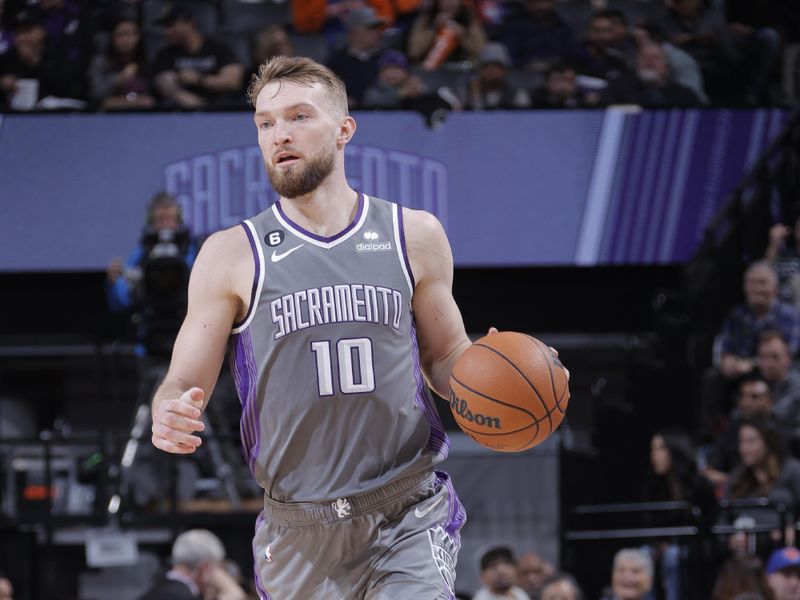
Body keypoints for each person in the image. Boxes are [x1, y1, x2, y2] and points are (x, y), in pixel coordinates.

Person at [150, 55, 553, 598]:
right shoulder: (230, 255)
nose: (279, 135)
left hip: (407, 507)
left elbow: (444, 355)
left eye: (298, 116)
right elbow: (182, 382)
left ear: (344, 130)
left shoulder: (413, 233)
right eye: (266, 123)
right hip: (298, 528)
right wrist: (168, 409)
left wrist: (500, 375)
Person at [698, 261, 800, 441]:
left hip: (777, 371)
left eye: (762, 283)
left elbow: (789, 352)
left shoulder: (789, 315)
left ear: (775, 288)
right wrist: (727, 360)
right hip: (743, 372)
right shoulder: (737, 315)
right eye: (752, 283)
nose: (757, 288)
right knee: (712, 377)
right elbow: (724, 346)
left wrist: (753, 363)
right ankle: (712, 437)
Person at [106, 192, 197, 357]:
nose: (165, 225)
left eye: (170, 219)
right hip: (151, 343)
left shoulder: (194, 250)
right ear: (151, 222)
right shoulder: (141, 253)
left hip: (189, 341)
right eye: (160, 220)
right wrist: (114, 282)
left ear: (179, 220)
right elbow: (121, 301)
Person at [642, 430, 716, 600]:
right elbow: (649, 522)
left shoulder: (698, 484)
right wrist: (657, 544)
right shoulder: (652, 485)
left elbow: (707, 523)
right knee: (642, 555)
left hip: (691, 547)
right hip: (660, 546)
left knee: (672, 556)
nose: (655, 456)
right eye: (653, 450)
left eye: (660, 449)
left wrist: (672, 544)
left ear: (675, 451)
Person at [151, 5, 244, 109]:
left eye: (171, 25)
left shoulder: (218, 49)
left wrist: (200, 79)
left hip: (219, 109)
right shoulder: (166, 54)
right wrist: (184, 98)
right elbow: (165, 84)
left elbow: (233, 81)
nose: (166, 32)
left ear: (188, 23)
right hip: (182, 110)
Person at [704, 375, 775, 489]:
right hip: (738, 494)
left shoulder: (782, 432)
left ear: (770, 401)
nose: (747, 401)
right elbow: (710, 472)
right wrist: (738, 482)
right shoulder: (729, 434)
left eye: (754, 397)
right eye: (743, 396)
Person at [138, 529, 246, 600]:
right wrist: (232, 591)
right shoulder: (185, 597)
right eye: (217, 568)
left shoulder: (152, 591)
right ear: (205, 567)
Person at [602, 42, 701, 107]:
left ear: (666, 67)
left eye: (656, 57)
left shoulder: (684, 95)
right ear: (636, 64)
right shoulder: (616, 87)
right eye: (644, 57)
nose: (649, 61)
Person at [88, 17, 155, 110]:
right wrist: (118, 80)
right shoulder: (101, 61)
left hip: (145, 116)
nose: (126, 39)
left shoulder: (147, 60)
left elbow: (153, 99)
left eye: (131, 34)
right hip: (109, 116)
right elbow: (96, 93)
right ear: (112, 37)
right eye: (121, 34)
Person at [326, 7, 385, 108]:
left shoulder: (386, 59)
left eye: (377, 28)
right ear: (354, 31)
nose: (377, 33)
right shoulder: (336, 62)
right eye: (371, 28)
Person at [407, 0, 487, 69]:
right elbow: (414, 51)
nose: (449, 3)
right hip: (430, 69)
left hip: (462, 68)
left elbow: (481, 51)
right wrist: (434, 29)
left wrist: (462, 35)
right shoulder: (426, 19)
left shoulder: (469, 20)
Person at [501, 0, 575, 73]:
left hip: (558, 72)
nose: (542, 6)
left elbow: (573, 53)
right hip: (525, 73)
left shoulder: (562, 26)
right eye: (537, 2)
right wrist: (526, 65)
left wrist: (558, 65)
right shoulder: (515, 25)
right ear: (527, 4)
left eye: (546, 2)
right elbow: (508, 54)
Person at [465, 42, 530, 110]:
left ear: (505, 70)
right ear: (480, 71)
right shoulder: (469, 94)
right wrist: (476, 97)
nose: (492, 71)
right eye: (487, 66)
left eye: (497, 66)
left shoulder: (518, 94)